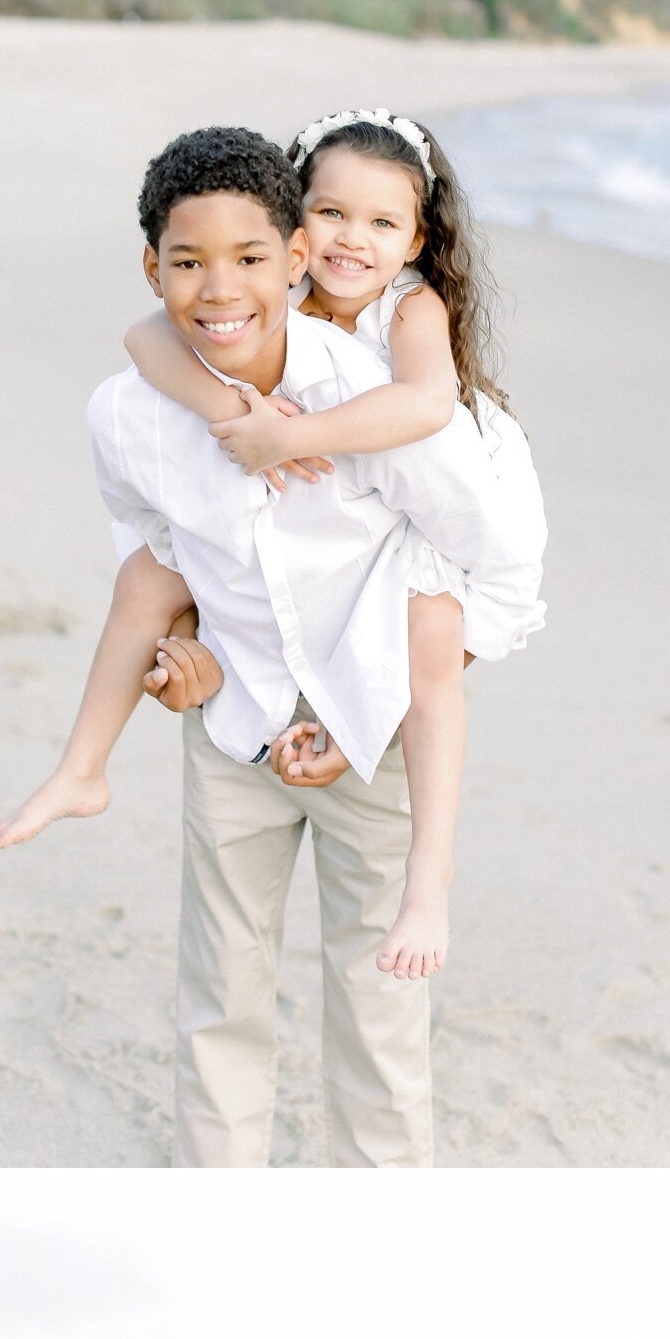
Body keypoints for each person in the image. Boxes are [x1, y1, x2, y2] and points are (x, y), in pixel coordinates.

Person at [0, 119, 545, 1157]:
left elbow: (491, 567)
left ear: (291, 259)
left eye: (250, 258)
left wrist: (380, 692)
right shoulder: (133, 413)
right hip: (233, 729)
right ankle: (217, 1239)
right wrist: (180, 652)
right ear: (151, 267)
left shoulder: (378, 402)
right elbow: (165, 555)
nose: (219, 285)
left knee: (378, 1018)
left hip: (372, 733)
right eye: (188, 262)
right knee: (219, 1000)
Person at [127, 103, 546, 981]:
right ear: (291, 223)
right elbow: (145, 336)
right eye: (331, 213)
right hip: (321, 541)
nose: (353, 240)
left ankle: (429, 879)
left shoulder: (408, 305)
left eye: (383, 222)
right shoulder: (273, 293)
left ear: (418, 237)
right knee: (177, 563)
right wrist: (224, 405)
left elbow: (425, 406)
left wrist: (288, 437)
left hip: (426, 511)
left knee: (431, 637)